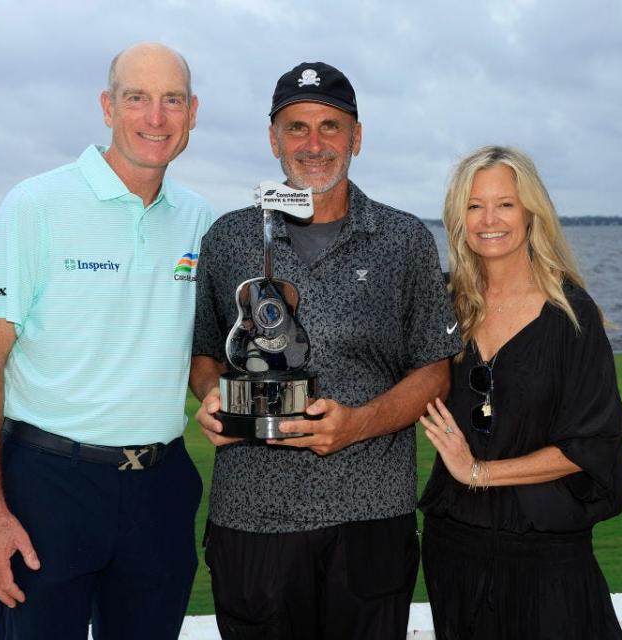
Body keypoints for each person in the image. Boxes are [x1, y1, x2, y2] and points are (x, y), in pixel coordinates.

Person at [190, 61, 462, 640]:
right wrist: (213, 397)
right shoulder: (230, 237)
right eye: (296, 127)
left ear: (356, 137)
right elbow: (204, 350)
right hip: (252, 518)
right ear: (273, 139)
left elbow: (435, 372)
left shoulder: (404, 239)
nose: (313, 144)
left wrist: (358, 424)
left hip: (371, 519)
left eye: (330, 127)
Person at [0, 43, 213, 640]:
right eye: (137, 98)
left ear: (193, 112)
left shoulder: (198, 218)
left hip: (160, 486)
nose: (156, 117)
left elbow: (202, 349)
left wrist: (218, 393)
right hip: (49, 486)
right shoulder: (36, 204)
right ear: (107, 106)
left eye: (172, 100)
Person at [418, 145, 622, 639]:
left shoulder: (571, 317)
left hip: (547, 552)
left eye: (505, 204)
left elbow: (591, 445)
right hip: (456, 548)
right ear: (458, 217)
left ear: (531, 212)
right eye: (474, 205)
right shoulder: (444, 306)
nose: (489, 219)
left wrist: (479, 471)